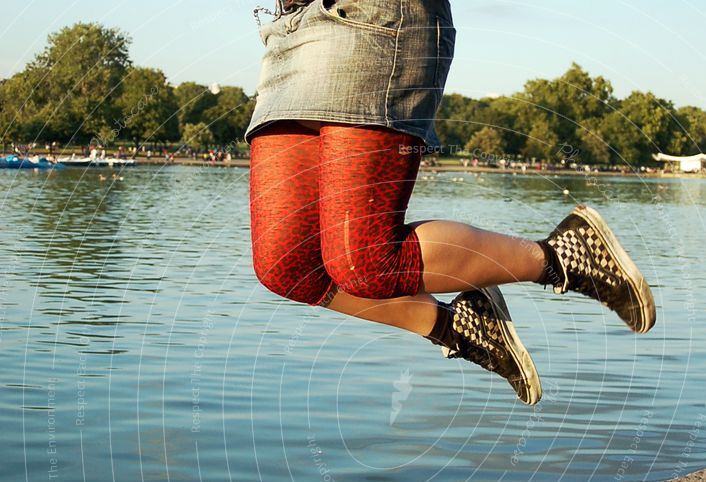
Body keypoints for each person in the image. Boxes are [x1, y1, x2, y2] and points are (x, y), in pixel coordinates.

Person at [247, 0, 655, 406]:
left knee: (365, 261)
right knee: (288, 265)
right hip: (292, 31)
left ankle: (563, 256)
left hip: (370, 20)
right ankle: (457, 325)